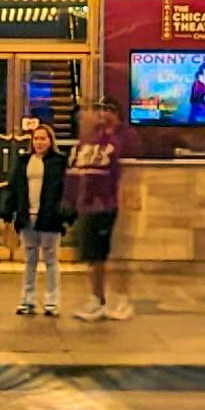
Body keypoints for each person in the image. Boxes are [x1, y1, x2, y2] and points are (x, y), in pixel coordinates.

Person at [1, 117, 67, 322]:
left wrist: (66, 216)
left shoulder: (60, 162)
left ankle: (52, 301)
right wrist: (7, 213)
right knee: (29, 260)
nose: (39, 142)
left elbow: (67, 192)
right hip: (27, 218)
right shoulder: (23, 162)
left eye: (43, 139)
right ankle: (27, 300)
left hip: (50, 219)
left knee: (51, 261)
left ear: (50, 140)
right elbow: (13, 189)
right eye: (36, 138)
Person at [64, 100, 125, 318]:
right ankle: (97, 298)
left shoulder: (113, 142)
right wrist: (69, 203)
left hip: (103, 207)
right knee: (89, 256)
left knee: (99, 255)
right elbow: (74, 177)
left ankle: (103, 300)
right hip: (85, 208)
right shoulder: (80, 147)